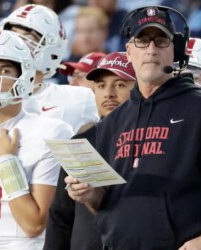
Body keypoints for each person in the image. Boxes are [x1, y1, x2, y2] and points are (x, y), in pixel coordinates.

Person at [65, 6, 201, 250]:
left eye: (161, 41)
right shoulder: (110, 124)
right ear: (128, 51)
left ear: (175, 51)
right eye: (142, 41)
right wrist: (88, 194)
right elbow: (103, 204)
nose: (151, 50)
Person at [0, 30, 74, 249]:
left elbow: (34, 225)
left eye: (5, 70)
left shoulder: (52, 131)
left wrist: (6, 162)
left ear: (25, 76)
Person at [44, 52, 136, 250]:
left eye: (120, 85)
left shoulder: (158, 140)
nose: (108, 93)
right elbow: (60, 217)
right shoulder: (80, 144)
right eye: (101, 86)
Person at [0, 4, 100, 135]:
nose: (15, 45)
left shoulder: (79, 99)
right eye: (11, 37)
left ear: (51, 48)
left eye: (27, 39)